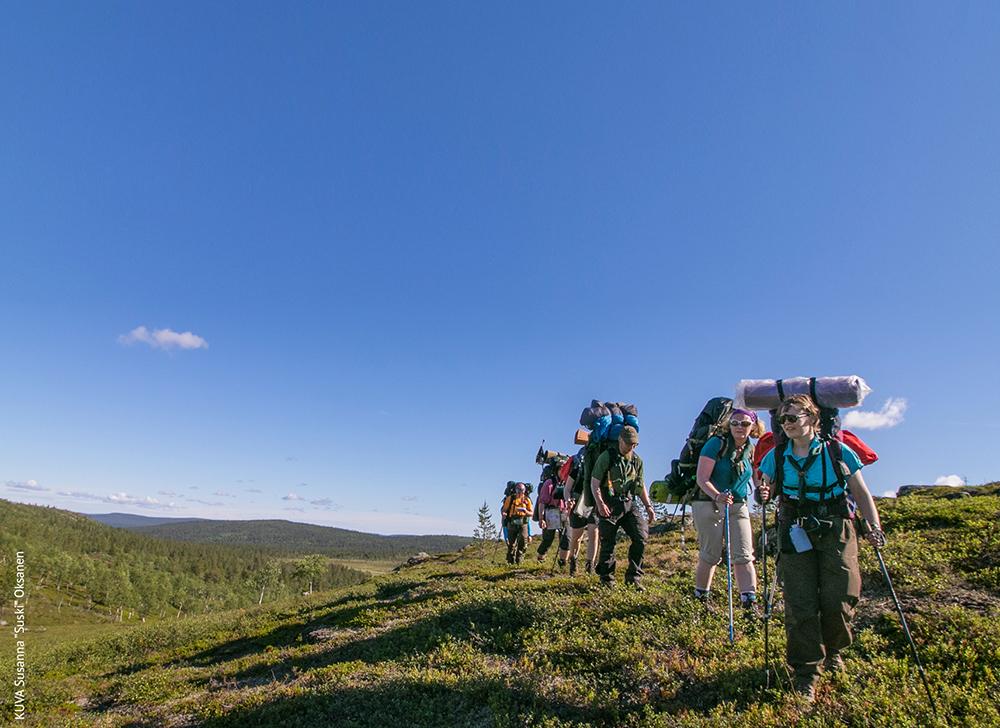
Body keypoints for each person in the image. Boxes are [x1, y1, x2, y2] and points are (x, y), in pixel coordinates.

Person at [757, 394, 885, 703]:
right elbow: (767, 492)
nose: (786, 424)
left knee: (840, 595)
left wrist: (874, 527)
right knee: (800, 604)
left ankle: (835, 651)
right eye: (783, 419)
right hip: (794, 530)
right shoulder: (775, 456)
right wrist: (763, 493)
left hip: (836, 528)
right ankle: (805, 674)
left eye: (793, 418)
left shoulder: (838, 451)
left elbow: (862, 493)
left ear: (813, 420)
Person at [692, 408, 766, 613]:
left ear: (753, 426)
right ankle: (700, 598)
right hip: (708, 503)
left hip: (738, 503)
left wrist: (762, 490)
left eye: (744, 423)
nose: (739, 427)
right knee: (711, 554)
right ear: (728, 425)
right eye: (735, 423)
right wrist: (718, 496)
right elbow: (702, 478)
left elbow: (756, 477)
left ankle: (749, 603)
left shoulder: (752, 448)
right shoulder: (716, 443)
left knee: (744, 554)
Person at [591, 425, 656, 589]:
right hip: (609, 502)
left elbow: (640, 486)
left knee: (641, 537)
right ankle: (607, 579)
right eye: (628, 443)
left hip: (629, 503)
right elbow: (595, 483)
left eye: (634, 444)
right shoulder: (607, 456)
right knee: (608, 542)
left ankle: (634, 578)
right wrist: (600, 504)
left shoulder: (637, 461)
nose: (630, 447)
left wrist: (648, 506)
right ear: (620, 439)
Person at [535, 465, 570, 566]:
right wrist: (541, 518)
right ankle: (541, 558)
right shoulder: (549, 483)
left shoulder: (569, 482)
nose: (564, 471)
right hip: (551, 512)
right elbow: (542, 501)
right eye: (562, 469)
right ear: (557, 471)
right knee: (548, 539)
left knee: (566, 538)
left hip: (564, 512)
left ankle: (563, 563)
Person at [501, 482, 533, 565]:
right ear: (515, 490)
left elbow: (531, 513)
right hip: (512, 522)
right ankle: (510, 561)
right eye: (518, 490)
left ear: (524, 490)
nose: (520, 492)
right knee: (511, 543)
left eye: (522, 490)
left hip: (523, 522)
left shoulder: (527, 500)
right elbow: (504, 510)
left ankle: (519, 560)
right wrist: (504, 514)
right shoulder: (510, 498)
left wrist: (525, 511)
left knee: (523, 541)